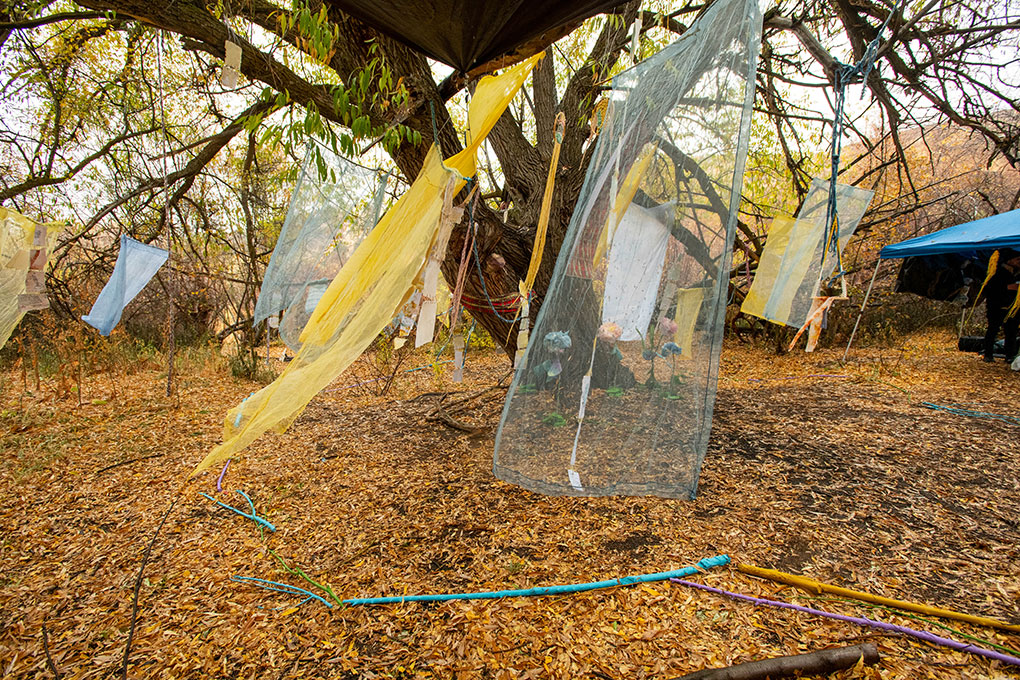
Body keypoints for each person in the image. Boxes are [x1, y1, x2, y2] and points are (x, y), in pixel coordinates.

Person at [983, 249, 1020, 363]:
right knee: (993, 329)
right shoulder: (997, 272)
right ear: (1010, 260)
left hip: (1013, 307)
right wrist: (1006, 288)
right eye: (1018, 259)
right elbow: (988, 289)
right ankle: (988, 354)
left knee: (1011, 331)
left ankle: (1009, 355)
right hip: (996, 306)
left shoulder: (1018, 273)